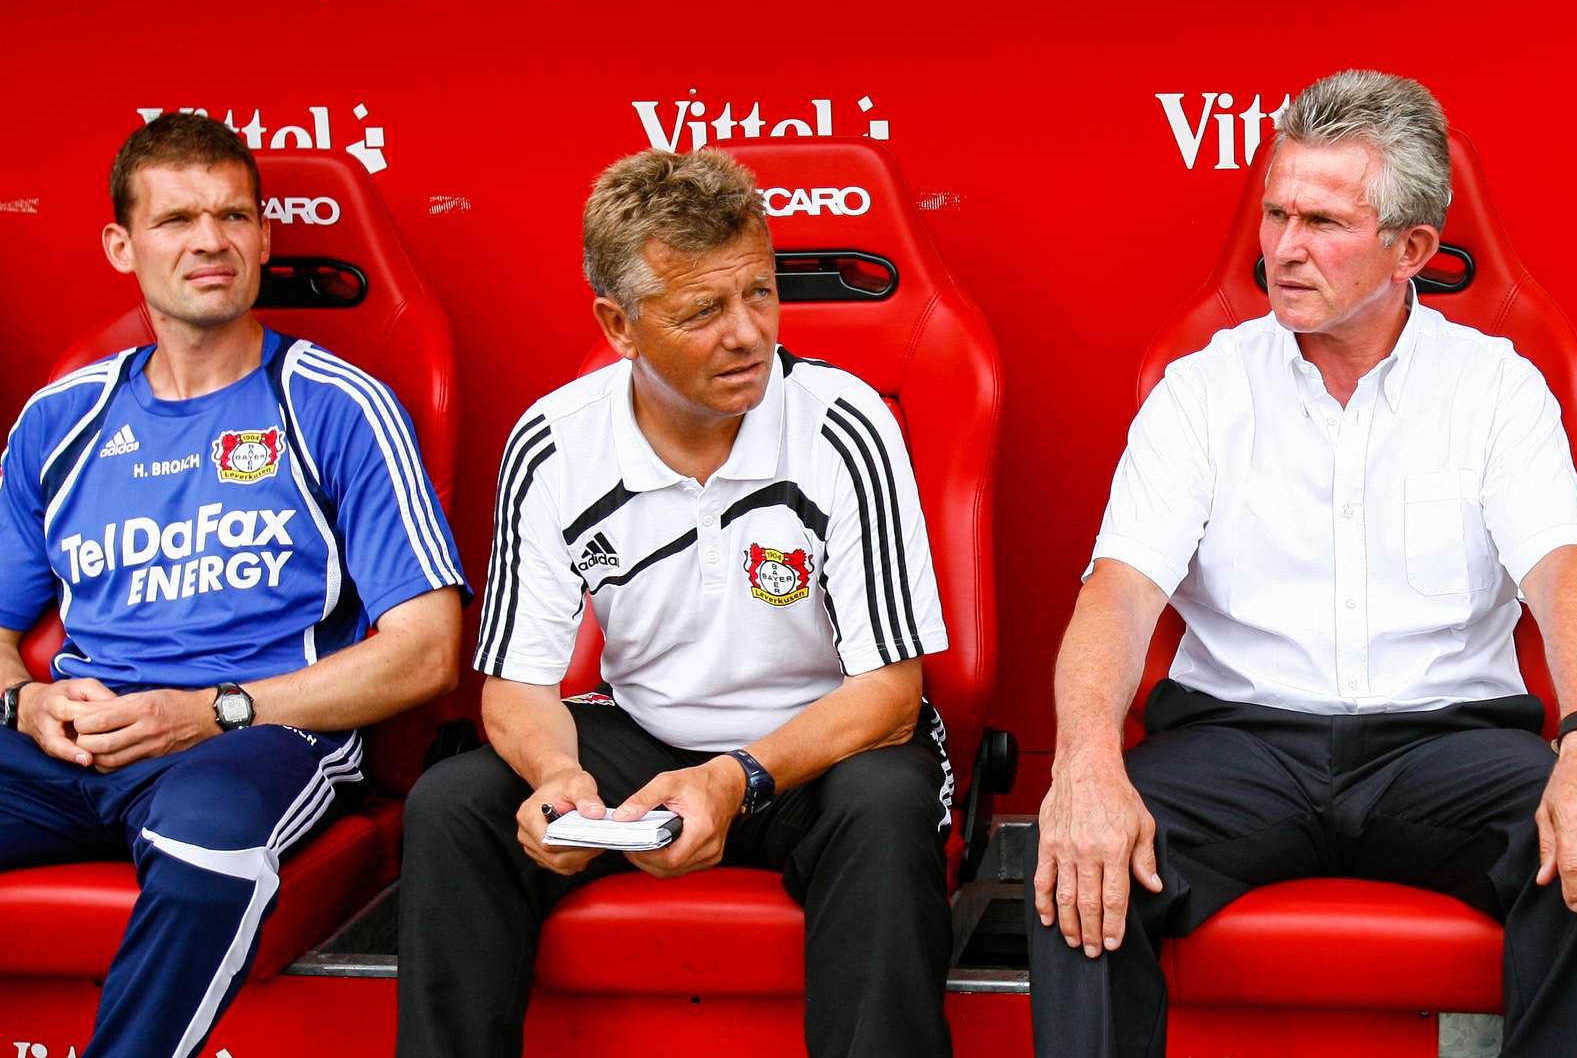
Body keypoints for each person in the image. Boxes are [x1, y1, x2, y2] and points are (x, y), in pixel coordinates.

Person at [1026, 69, 1577, 1058]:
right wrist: (1085, 766)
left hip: (1446, 745)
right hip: (1239, 742)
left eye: (1322, 221)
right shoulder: (1201, 391)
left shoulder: (1495, 389)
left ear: (1411, 250)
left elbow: (1566, 579)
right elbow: (1117, 595)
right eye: (1276, 212)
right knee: (1080, 858)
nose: (1282, 248)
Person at [397, 147, 956, 1057]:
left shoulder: (844, 424)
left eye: (761, 294)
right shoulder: (553, 442)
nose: (748, 335)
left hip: (818, 745)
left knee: (887, 816)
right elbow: (514, 687)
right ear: (618, 325)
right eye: (704, 310)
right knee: (455, 805)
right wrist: (557, 780)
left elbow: (892, 694)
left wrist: (732, 781)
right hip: (644, 736)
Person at [0, 113, 466, 1058]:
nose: (210, 240)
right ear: (121, 246)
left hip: (256, 735)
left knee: (205, 845)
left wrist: (213, 709)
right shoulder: (61, 418)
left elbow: (427, 653)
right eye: (177, 220)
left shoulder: (337, 405)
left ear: (262, 236)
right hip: (78, 739)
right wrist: (25, 701)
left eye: (233, 215)